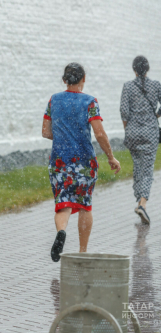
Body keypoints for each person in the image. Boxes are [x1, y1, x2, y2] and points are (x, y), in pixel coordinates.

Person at [42, 63, 121, 262]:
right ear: (83, 78)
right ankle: (82, 251)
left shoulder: (54, 100)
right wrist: (110, 156)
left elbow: (45, 131)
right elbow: (100, 133)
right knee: (85, 205)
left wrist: (64, 138)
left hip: (59, 161)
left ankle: (61, 231)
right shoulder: (89, 102)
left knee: (63, 204)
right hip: (84, 161)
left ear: (64, 80)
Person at [120, 55, 161, 224]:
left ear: (134, 69)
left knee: (138, 166)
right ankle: (142, 204)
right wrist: (155, 115)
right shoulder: (156, 85)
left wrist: (128, 128)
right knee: (147, 169)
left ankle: (138, 200)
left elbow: (124, 111)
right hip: (151, 132)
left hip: (133, 133)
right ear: (148, 68)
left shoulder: (128, 86)